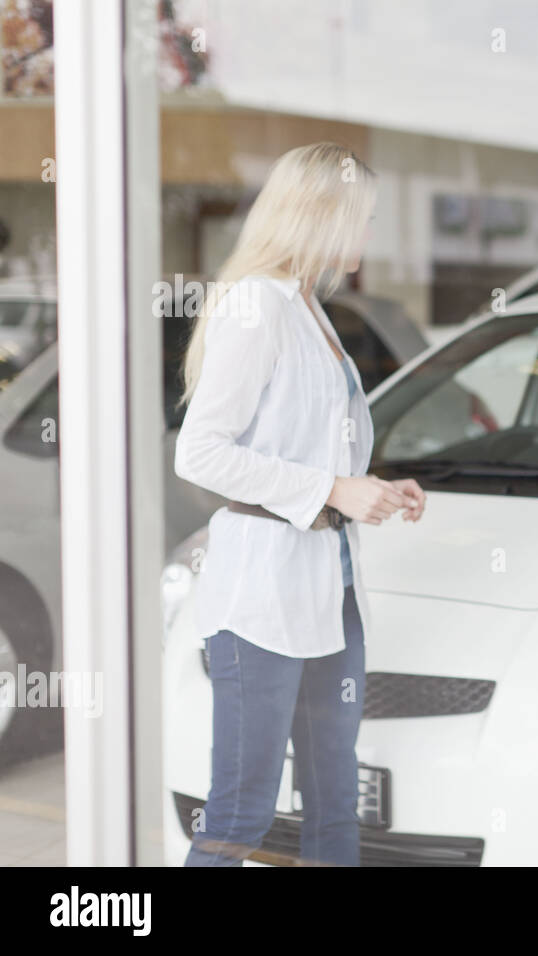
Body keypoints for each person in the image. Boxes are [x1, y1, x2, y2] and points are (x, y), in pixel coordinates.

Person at [173, 142, 427, 866]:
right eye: (364, 218)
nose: (369, 234)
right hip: (263, 596)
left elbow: (306, 443)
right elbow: (200, 452)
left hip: (329, 585)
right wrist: (329, 491)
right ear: (322, 213)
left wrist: (369, 486)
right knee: (238, 817)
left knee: (334, 808)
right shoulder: (259, 306)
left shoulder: (308, 305)